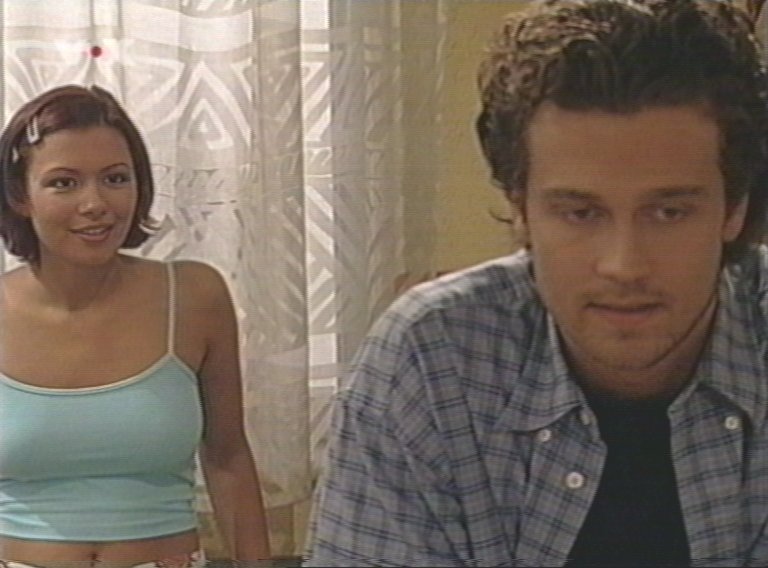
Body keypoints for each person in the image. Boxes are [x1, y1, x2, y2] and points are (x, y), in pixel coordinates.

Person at [306, 0, 768, 566]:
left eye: (669, 212)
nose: (624, 265)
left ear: (734, 208)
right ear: (520, 208)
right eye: (581, 213)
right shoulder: (434, 359)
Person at [0, 85, 271, 567]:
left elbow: (228, 456)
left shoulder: (194, 296)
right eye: (64, 183)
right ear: (21, 196)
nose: (95, 203)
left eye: (115, 178)